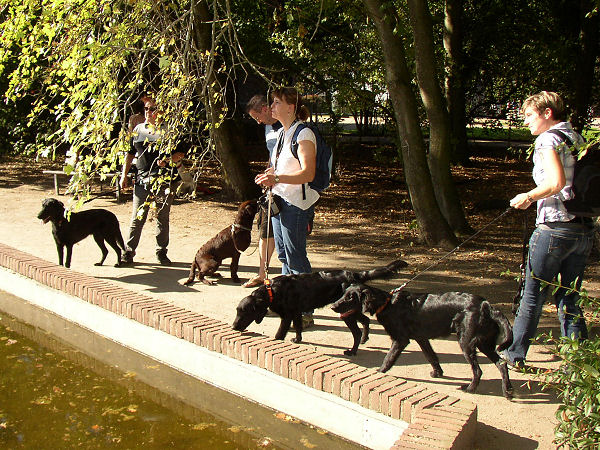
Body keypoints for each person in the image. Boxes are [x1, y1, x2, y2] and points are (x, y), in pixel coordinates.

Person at [504, 91, 595, 370]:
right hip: (583, 229)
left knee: (533, 293)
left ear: (547, 113)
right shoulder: (577, 138)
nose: (526, 122)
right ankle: (577, 362)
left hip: (554, 228)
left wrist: (528, 196)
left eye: (529, 115)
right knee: (570, 295)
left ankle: (514, 355)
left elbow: (556, 182)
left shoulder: (547, 139)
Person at [254, 87, 319, 327]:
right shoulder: (282, 133)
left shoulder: (304, 134)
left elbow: (308, 173)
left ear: (291, 108)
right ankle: (286, 303)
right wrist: (269, 175)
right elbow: (281, 168)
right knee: (283, 255)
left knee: (296, 257)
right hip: (280, 201)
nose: (271, 107)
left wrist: (277, 178)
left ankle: (306, 311)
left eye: (276, 102)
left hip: (296, 205)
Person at [120, 96, 186, 266]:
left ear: (162, 112)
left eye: (153, 109)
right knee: (137, 217)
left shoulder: (170, 131)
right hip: (142, 180)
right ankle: (128, 252)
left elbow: (181, 153)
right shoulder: (138, 130)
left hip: (165, 181)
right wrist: (124, 175)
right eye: (146, 109)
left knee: (162, 217)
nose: (148, 112)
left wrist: (167, 160)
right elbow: (130, 154)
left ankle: (161, 252)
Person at [242, 94, 282, 288]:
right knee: (265, 230)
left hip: (289, 188)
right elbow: (272, 155)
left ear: (265, 109)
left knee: (286, 238)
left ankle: (291, 279)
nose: (257, 122)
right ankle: (261, 274)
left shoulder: (288, 126)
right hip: (271, 188)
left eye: (257, 117)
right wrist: (267, 173)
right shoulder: (267, 127)